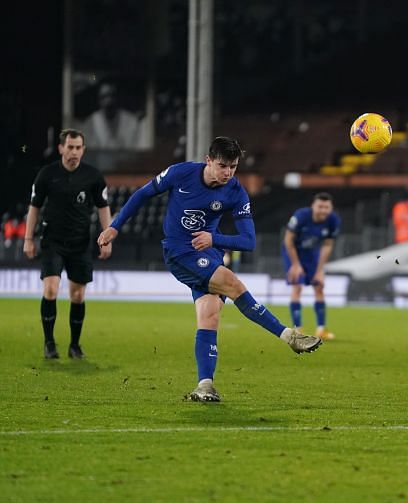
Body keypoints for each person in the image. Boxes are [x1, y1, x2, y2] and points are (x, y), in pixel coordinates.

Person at [97, 137, 322, 402]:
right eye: (223, 166)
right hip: (179, 252)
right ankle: (288, 336)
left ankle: (204, 385)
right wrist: (115, 225)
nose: (228, 172)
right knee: (232, 282)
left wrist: (215, 239)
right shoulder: (181, 173)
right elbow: (143, 194)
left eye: (234, 167)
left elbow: (248, 241)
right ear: (209, 161)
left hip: (209, 253)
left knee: (210, 315)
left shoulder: (235, 192)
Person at [23, 129, 112, 359]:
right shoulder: (47, 174)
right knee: (50, 289)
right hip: (52, 241)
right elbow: (34, 208)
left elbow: (103, 208)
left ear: (83, 149)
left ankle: (74, 345)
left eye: (78, 147)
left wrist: (107, 238)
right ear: (61, 148)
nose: (74, 151)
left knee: (77, 296)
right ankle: (49, 343)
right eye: (70, 147)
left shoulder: (93, 176)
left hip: (80, 243)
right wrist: (28, 238)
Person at [281, 193, 341, 341]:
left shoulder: (333, 220)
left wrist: (320, 270)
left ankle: (321, 329)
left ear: (330, 208)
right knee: (297, 286)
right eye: (320, 206)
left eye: (326, 207)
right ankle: (297, 329)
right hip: (293, 251)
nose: (323, 210)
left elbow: (327, 245)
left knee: (319, 286)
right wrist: (295, 265)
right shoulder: (301, 216)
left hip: (312, 252)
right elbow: (288, 240)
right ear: (313, 206)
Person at [82, 83, 144, 150]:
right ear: (99, 101)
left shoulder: (131, 121)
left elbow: (136, 148)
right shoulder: (91, 122)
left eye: (111, 96)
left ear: (117, 98)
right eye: (104, 97)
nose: (108, 101)